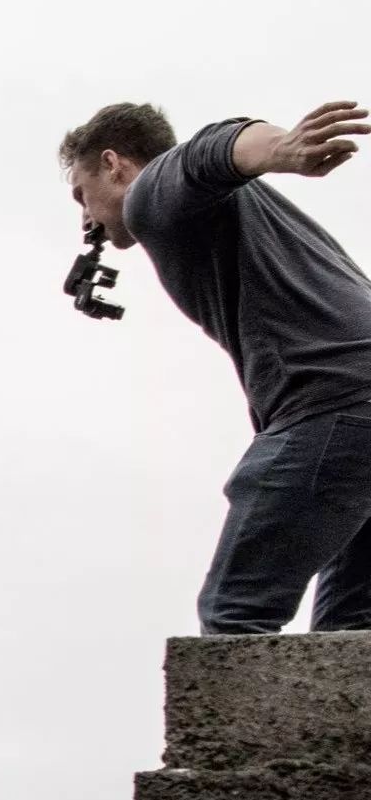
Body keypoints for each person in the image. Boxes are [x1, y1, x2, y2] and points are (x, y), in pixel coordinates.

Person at [60, 99, 371, 633]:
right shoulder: (232, 208)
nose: (86, 218)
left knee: (235, 617)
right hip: (355, 406)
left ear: (113, 163)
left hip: (334, 401)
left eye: (81, 195)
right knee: (351, 629)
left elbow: (215, 146)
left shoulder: (151, 195)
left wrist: (283, 148)